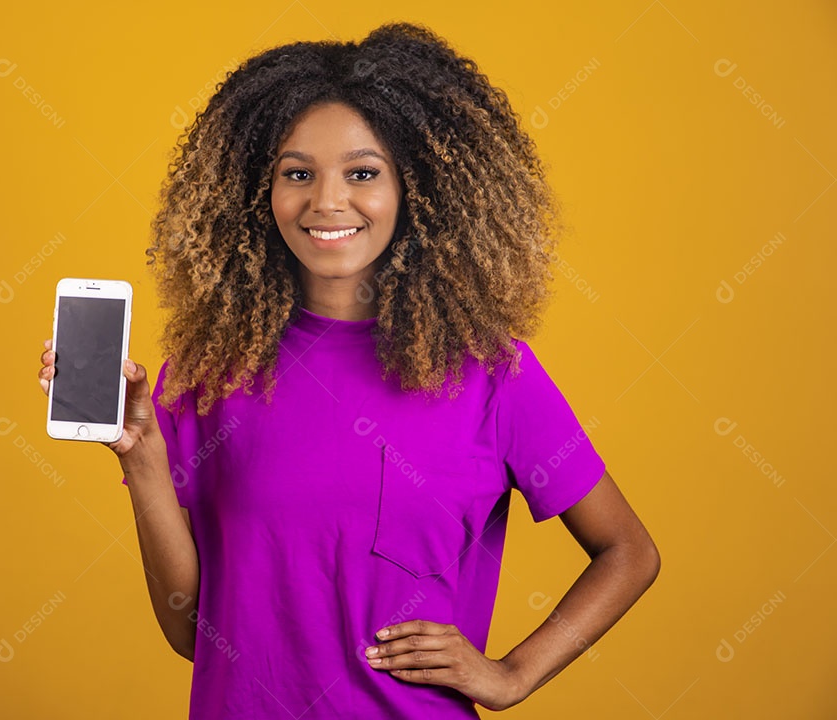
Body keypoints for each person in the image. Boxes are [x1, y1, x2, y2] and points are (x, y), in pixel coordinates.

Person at [37, 21, 659, 718]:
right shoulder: (209, 375)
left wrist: (512, 675)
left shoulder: (492, 375)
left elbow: (628, 551)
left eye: (363, 173)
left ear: (416, 188)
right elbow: (193, 634)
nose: (327, 202)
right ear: (258, 192)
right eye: (297, 173)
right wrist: (143, 455)